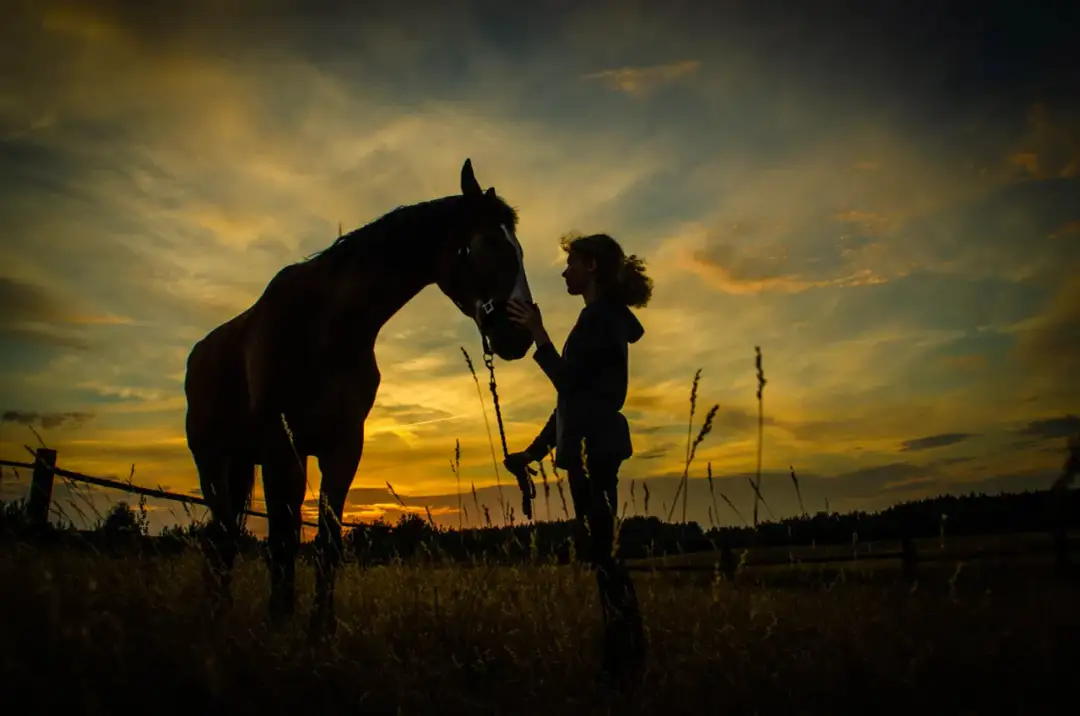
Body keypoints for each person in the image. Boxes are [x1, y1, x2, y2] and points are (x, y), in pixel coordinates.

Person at [504, 231, 652, 683]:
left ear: (591, 267)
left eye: (571, 263)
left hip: (596, 448)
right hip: (593, 444)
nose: (564, 270)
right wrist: (533, 452)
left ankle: (625, 656)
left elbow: (569, 386)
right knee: (599, 550)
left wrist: (539, 337)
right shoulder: (598, 320)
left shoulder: (600, 320)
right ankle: (622, 649)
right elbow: (572, 402)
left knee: (603, 553)